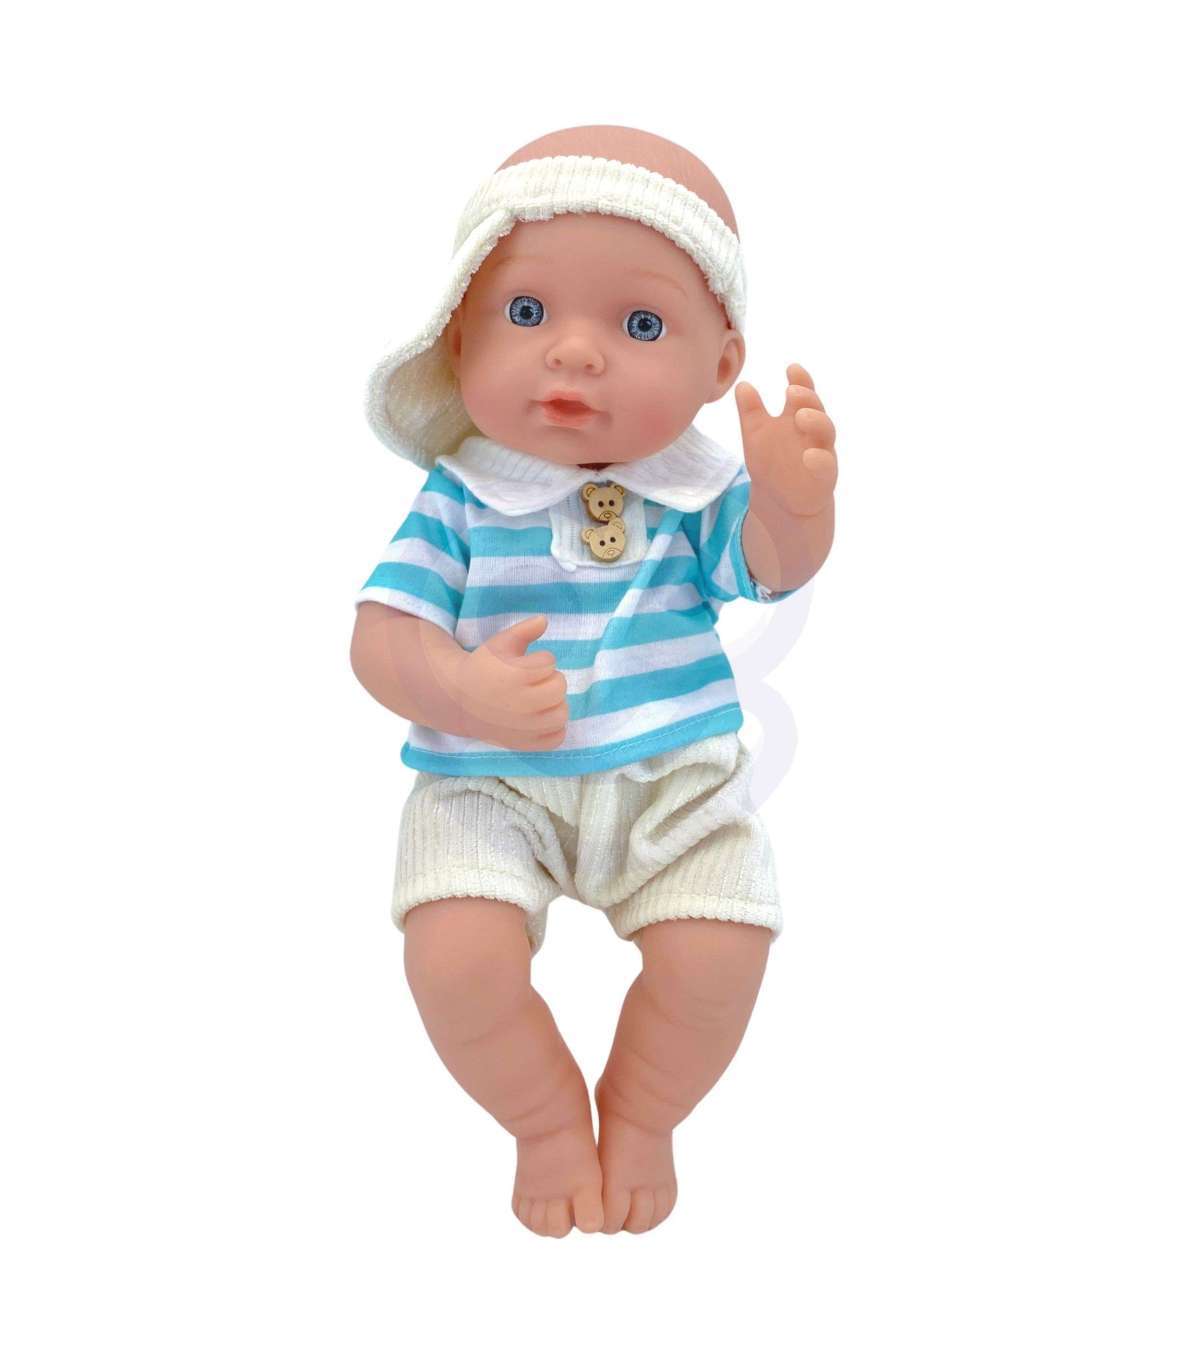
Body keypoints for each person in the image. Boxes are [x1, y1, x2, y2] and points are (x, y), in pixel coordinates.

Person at [351, 124, 839, 1237]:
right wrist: (457, 688)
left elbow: (768, 569)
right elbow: (380, 635)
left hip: (673, 779)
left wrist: (793, 505)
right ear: (460, 338)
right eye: (526, 312)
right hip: (489, 785)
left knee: (721, 951)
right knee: (455, 958)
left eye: (640, 324)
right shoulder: (461, 499)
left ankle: (644, 1113)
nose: (574, 353)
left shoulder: (692, 495)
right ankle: (542, 1122)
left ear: (720, 368)